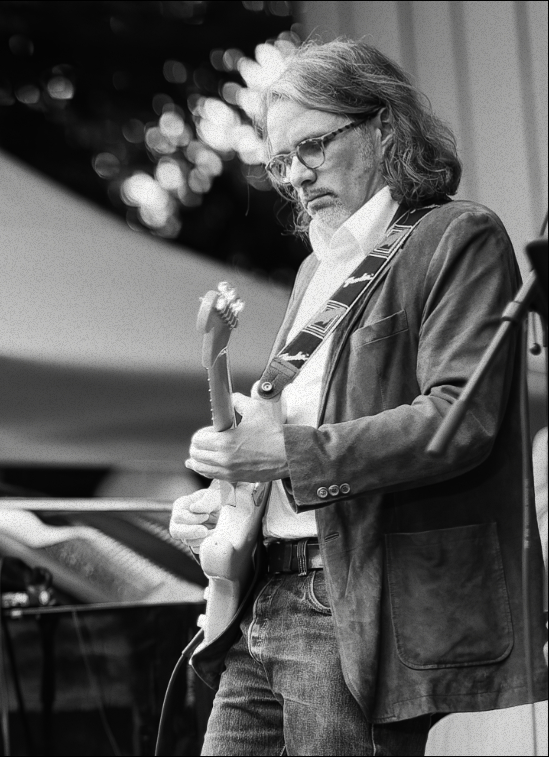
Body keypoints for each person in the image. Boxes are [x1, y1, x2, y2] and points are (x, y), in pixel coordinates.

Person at [167, 38, 547, 755]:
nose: (295, 177)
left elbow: (458, 419)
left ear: (383, 125)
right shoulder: (318, 264)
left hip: (346, 603)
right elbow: (304, 429)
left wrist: (280, 452)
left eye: (311, 147)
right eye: (280, 161)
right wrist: (229, 492)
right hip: (264, 596)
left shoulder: (454, 234)